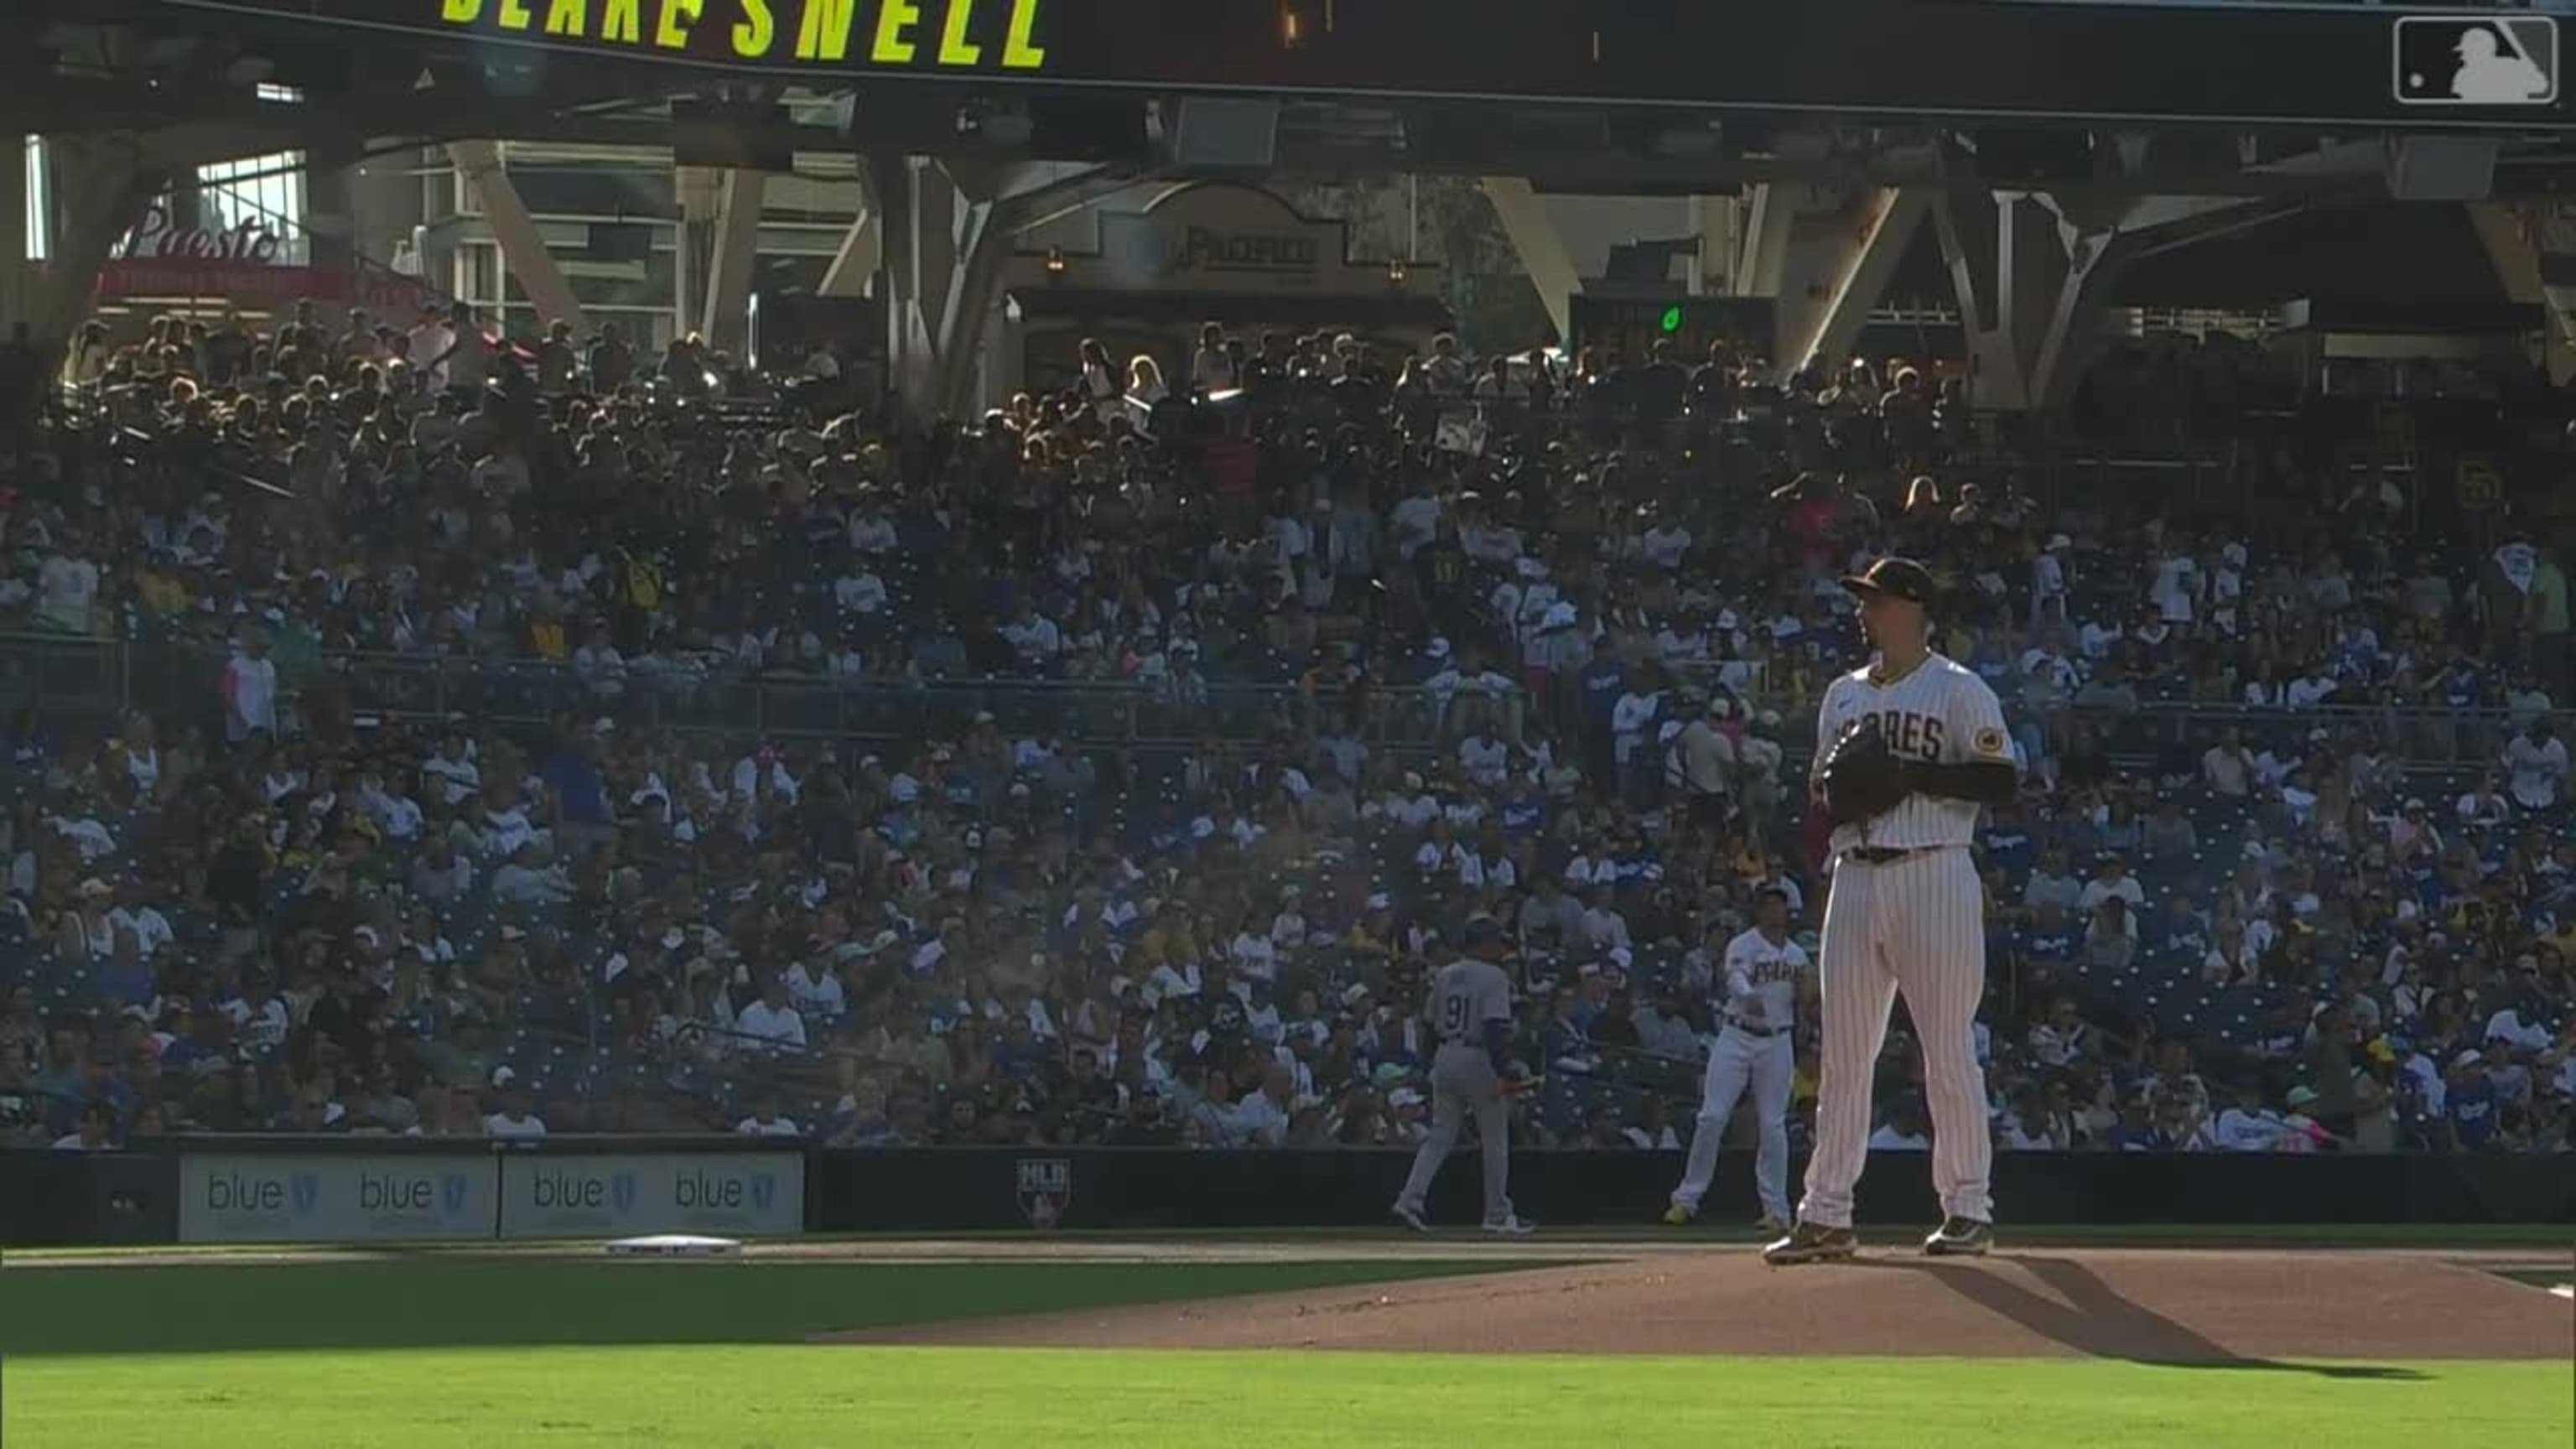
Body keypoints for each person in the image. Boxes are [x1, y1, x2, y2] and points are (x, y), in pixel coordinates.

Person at [1767, 557, 2019, 1266]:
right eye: (1863, 601)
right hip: (1856, 873)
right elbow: (1821, 788)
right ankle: (1826, 1214)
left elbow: (2001, 780)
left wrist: (1911, 775)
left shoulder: (1959, 690)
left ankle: (1969, 1206)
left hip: (1934, 868)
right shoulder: (1842, 695)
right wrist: (1842, 798)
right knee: (1845, 1056)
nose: (1864, 611)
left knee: (1945, 1049)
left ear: (1914, 608)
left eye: (1876, 600)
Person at [1663, 886, 1810, 1232]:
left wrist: (1808, 1008)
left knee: (1773, 1124)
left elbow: (1804, 997)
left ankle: (1776, 1210)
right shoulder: (1743, 944)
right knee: (1712, 1116)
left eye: (1779, 906)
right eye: (1768, 906)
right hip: (1737, 1034)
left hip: (1777, 1040)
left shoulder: (1797, 955)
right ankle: (1686, 1200)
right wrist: (1748, 995)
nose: (1774, 912)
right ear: (1757, 911)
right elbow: (1736, 978)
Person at [1391, 917, 1535, 1234]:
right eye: (1495, 941)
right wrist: (1504, 1069)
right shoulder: (1494, 976)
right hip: (1478, 1055)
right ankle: (1496, 1213)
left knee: (1440, 1135)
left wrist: (1431, 1063)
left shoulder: (1445, 974)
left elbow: (1428, 1024)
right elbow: (1495, 1027)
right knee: (1495, 1137)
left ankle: (1410, 1199)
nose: (1500, 947)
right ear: (1481, 943)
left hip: (1446, 1053)